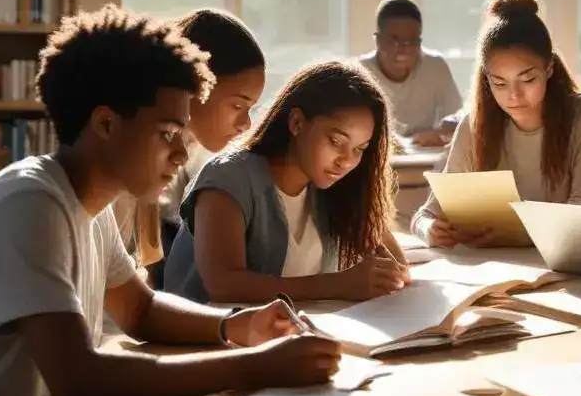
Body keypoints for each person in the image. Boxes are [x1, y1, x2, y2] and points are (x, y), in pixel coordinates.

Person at [0, 5, 340, 396]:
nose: (180, 153)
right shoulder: (29, 205)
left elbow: (140, 311)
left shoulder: (89, 206)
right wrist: (257, 367)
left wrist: (236, 326)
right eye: (167, 134)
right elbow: (77, 381)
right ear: (105, 124)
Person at [164, 60, 409, 304]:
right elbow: (223, 285)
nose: (346, 161)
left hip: (297, 333)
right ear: (297, 123)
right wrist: (338, 284)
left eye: (360, 148)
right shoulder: (229, 177)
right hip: (212, 338)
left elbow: (397, 267)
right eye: (336, 141)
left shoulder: (335, 187)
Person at [411, 0, 581, 248]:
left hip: (563, 273)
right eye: (499, 83)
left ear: (549, 69)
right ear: (487, 79)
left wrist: (517, 235)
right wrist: (431, 230)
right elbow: (425, 214)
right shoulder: (474, 126)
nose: (514, 95)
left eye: (528, 79)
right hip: (492, 272)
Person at [113, 8, 267, 276]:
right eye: (237, 106)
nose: (246, 124)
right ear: (198, 85)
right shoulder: (129, 168)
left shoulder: (191, 158)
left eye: (250, 109)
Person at [359, 0, 463, 149]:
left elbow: (459, 117)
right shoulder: (361, 73)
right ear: (377, 40)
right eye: (394, 41)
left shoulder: (435, 67)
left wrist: (442, 134)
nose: (402, 50)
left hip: (422, 157)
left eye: (411, 41)